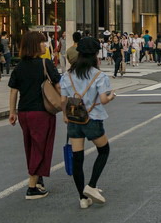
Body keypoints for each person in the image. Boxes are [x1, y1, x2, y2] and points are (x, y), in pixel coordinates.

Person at [60, 37, 116, 209]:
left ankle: (82, 199)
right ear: (95, 55)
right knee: (104, 150)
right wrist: (111, 96)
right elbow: (103, 99)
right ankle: (91, 185)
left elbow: (63, 100)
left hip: (74, 120)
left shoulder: (67, 75)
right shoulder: (99, 76)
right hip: (93, 119)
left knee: (78, 158)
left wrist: (65, 115)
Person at [8, 31, 61, 200]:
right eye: (43, 43)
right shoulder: (45, 63)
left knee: (30, 146)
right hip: (42, 112)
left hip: (24, 112)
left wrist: (12, 112)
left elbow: (13, 91)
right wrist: (65, 104)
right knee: (40, 147)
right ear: (35, 45)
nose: (45, 45)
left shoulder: (19, 67)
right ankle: (32, 187)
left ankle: (38, 180)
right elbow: (59, 86)